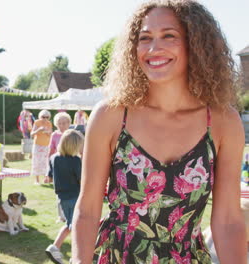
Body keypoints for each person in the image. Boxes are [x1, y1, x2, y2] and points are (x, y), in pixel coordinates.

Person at [71, 1, 246, 263]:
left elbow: (229, 221)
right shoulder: (110, 115)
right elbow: (87, 209)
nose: (154, 48)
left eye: (169, 35)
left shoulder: (223, 122)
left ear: (196, 43)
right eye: (145, 38)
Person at [45, 129, 84, 264]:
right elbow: (81, 180)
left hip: (62, 197)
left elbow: (49, 177)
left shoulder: (54, 158)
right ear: (75, 146)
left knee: (70, 224)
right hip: (75, 196)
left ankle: (54, 247)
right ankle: (76, 257)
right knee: (77, 228)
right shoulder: (75, 161)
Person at [30, 110, 53, 185]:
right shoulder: (37, 122)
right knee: (37, 161)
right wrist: (39, 130)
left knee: (45, 162)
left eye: (47, 117)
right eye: (43, 117)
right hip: (37, 145)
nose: (45, 119)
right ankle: (37, 180)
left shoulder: (49, 123)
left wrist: (48, 132)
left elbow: (51, 134)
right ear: (40, 117)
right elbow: (32, 134)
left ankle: (45, 179)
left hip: (46, 145)